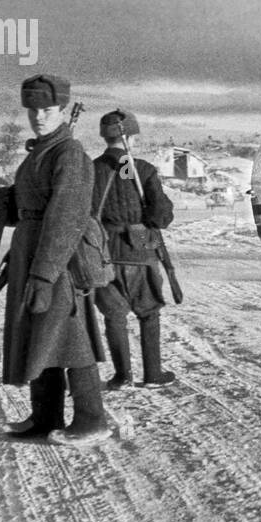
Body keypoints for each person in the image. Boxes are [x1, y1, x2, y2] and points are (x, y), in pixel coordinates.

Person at [0, 74, 110, 443]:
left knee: (69, 337)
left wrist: (43, 275)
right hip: (32, 253)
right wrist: (6, 206)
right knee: (40, 335)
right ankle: (46, 416)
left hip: (58, 261)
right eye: (33, 110)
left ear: (62, 110)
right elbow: (31, 210)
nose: (39, 116)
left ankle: (93, 420)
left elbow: (66, 218)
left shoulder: (69, 154)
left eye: (47, 109)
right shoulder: (39, 153)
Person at [91, 109, 177, 389]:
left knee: (114, 315)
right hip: (140, 252)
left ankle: (122, 376)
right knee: (149, 312)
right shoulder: (138, 168)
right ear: (129, 137)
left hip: (102, 254)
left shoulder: (91, 169)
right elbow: (161, 216)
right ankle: (152, 374)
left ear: (106, 137)